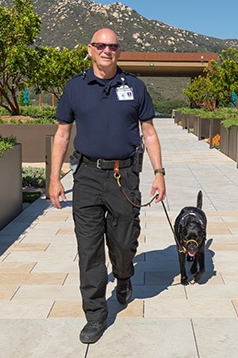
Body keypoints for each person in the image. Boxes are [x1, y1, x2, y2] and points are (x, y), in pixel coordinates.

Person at [49, 28, 166, 344]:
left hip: (124, 176)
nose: (106, 50)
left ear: (119, 51)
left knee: (124, 243)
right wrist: (54, 177)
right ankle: (95, 315)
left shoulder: (135, 87)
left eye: (112, 46)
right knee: (88, 251)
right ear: (90, 49)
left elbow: (150, 132)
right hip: (86, 176)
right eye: (100, 45)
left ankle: (125, 275)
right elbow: (62, 134)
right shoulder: (74, 88)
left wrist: (159, 172)